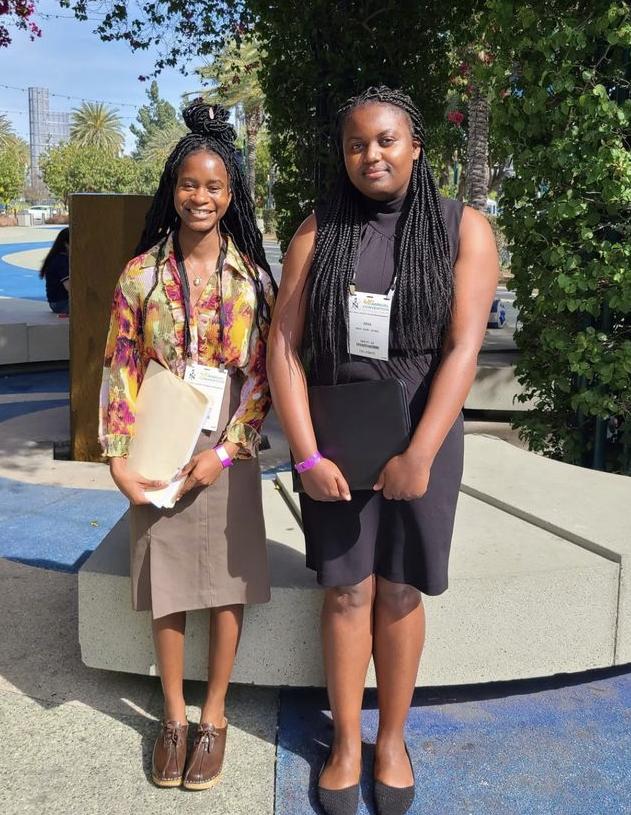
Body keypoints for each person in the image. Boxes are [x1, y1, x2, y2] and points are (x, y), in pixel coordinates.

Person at [267, 86, 498, 815]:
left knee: (398, 590)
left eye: (386, 140)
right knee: (346, 592)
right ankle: (342, 744)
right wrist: (306, 455)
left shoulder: (462, 228)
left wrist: (420, 452)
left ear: (415, 145)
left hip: (419, 429)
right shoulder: (318, 228)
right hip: (336, 435)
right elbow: (282, 345)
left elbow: (463, 347)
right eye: (356, 143)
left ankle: (391, 738)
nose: (371, 154)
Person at [99, 101, 276, 791]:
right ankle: (173, 718)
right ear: (172, 189)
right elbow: (119, 363)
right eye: (188, 184)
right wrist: (119, 453)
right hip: (159, 435)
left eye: (214, 186)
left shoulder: (253, 280)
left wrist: (225, 451)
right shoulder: (139, 275)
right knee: (169, 580)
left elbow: (261, 376)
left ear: (231, 197)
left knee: (224, 585)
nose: (200, 196)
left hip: (224, 442)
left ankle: (215, 716)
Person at [39, 226, 69, 314]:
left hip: (56, 302)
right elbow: (69, 287)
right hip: (62, 303)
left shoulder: (56, 257)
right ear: (66, 244)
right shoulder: (61, 261)